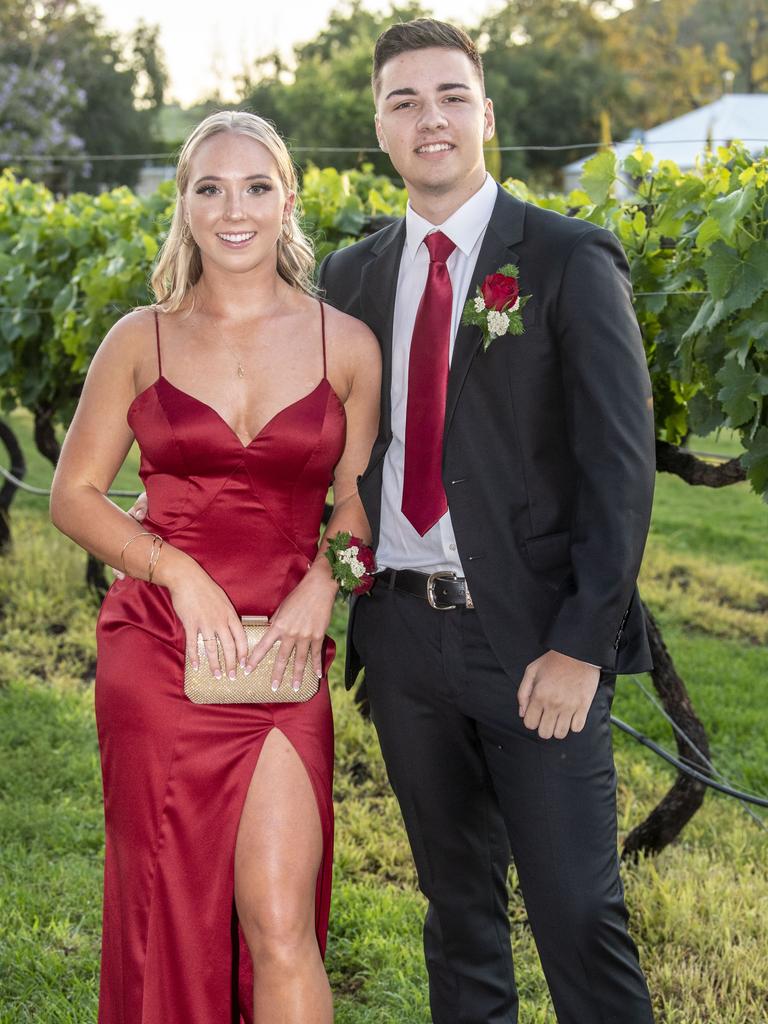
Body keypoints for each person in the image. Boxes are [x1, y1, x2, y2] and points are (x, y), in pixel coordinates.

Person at [318, 18, 657, 1024]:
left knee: (576, 913)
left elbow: (619, 468)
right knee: (458, 915)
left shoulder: (563, 258)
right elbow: (333, 460)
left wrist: (581, 646)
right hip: (403, 640)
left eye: (451, 96)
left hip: (533, 643)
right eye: (405, 101)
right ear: (377, 125)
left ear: (487, 113)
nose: (431, 119)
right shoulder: (351, 278)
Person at [50, 110, 380, 1024]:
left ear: (287, 201)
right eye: (210, 187)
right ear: (185, 206)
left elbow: (358, 507)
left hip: (282, 657)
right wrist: (176, 572)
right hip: (157, 653)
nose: (234, 209)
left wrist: (325, 582)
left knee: (280, 924)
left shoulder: (344, 344)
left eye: (256, 187)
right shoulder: (139, 339)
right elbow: (73, 495)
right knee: (168, 916)